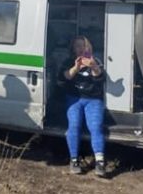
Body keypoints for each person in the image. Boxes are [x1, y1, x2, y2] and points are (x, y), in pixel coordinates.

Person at [59, 35, 107, 177]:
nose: (80, 49)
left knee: (95, 126)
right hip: (74, 99)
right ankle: (74, 160)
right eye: (77, 46)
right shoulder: (69, 61)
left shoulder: (95, 60)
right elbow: (65, 76)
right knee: (74, 125)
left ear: (88, 47)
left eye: (83, 45)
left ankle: (100, 162)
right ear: (73, 49)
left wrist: (93, 66)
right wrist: (76, 67)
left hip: (93, 99)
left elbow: (100, 78)